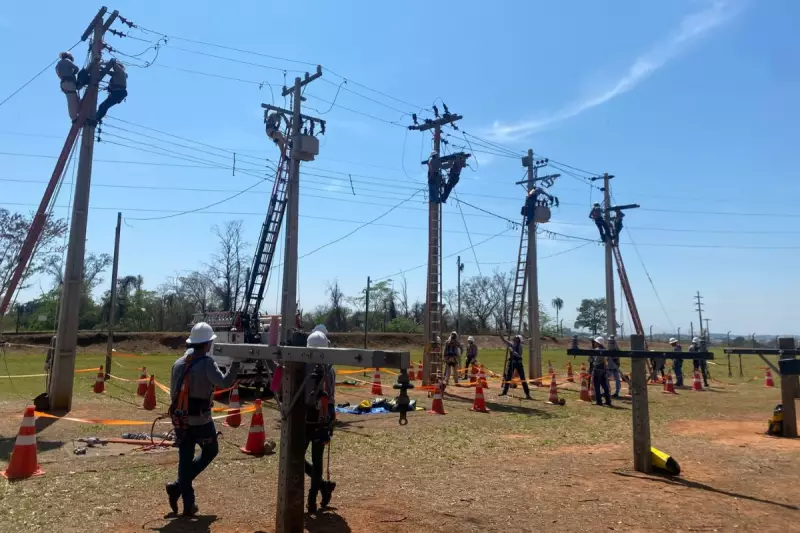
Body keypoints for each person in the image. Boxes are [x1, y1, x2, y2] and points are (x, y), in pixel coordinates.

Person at [166, 322, 240, 516]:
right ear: (207, 344)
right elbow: (224, 381)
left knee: (185, 459)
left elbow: (173, 394)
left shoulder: (178, 363)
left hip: (180, 420)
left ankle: (187, 503)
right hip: (200, 421)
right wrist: (236, 365)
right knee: (211, 450)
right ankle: (177, 487)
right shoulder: (206, 362)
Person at [305, 325, 337, 513]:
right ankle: (323, 486)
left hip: (317, 417)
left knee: (314, 459)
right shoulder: (326, 368)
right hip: (315, 417)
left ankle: (312, 499)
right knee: (304, 459)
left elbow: (329, 395)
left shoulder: (326, 370)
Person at [498, 333, 532, 399]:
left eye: (516, 338)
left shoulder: (520, 347)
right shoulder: (511, 344)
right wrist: (500, 334)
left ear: (518, 340)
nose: (514, 338)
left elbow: (519, 355)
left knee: (523, 379)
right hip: (511, 363)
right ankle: (504, 392)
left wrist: (512, 351)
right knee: (508, 378)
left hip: (518, 363)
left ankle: (527, 394)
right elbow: (504, 340)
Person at [56, 52, 81, 121]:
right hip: (69, 83)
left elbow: (59, 75)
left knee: (71, 99)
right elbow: (76, 69)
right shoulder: (67, 61)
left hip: (63, 84)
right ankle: (74, 117)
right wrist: (72, 74)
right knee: (72, 100)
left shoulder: (58, 64)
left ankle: (75, 115)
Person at [592, 336, 612, 406]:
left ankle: (599, 401)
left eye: (596, 342)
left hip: (597, 369)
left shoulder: (597, 349)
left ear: (598, 343)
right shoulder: (605, 349)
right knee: (604, 386)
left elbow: (596, 361)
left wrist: (593, 363)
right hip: (603, 369)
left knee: (596, 386)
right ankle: (608, 401)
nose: (595, 343)